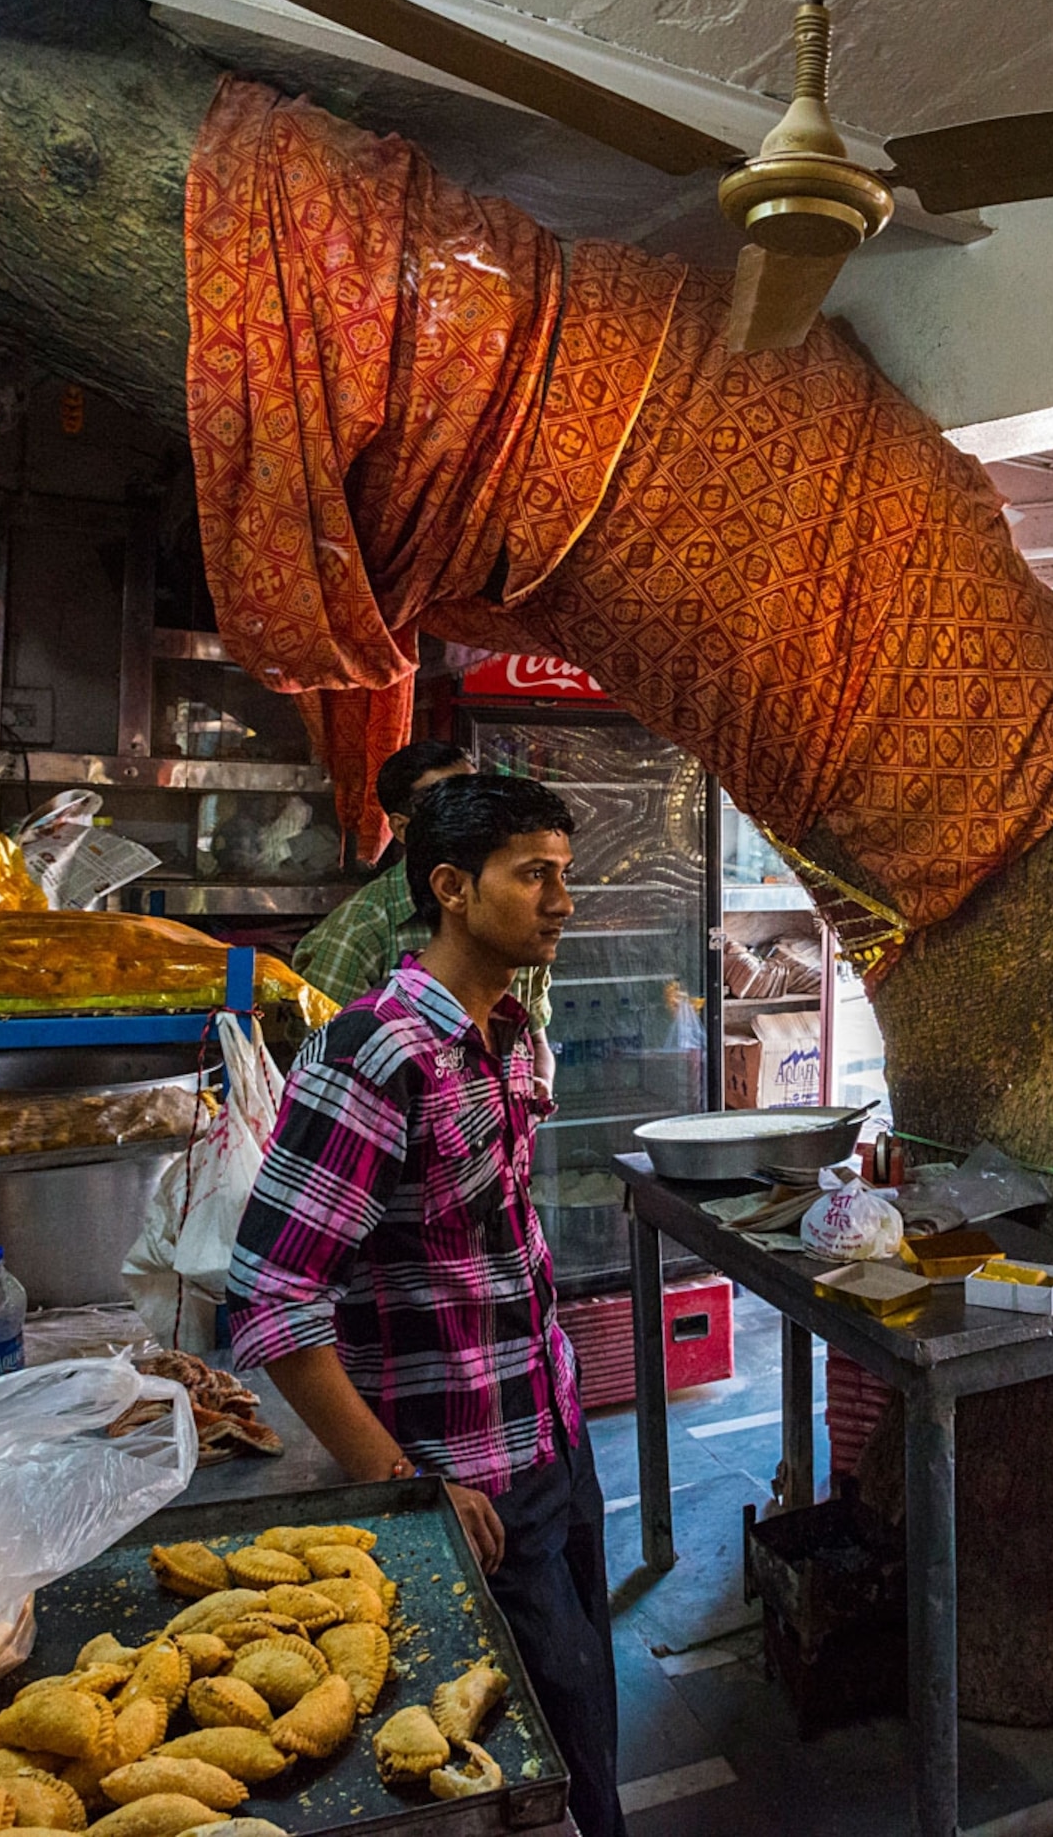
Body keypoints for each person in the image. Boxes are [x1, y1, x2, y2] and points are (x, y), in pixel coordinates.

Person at [227, 774, 624, 1837]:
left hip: (550, 1437)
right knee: (528, 1770)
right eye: (533, 875)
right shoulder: (376, 1052)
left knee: (587, 1725)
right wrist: (405, 1486)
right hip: (464, 1482)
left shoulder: (509, 1034)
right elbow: (271, 1297)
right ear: (451, 887)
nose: (561, 900)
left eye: (564, 873)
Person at [291, 737, 553, 1040]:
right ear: (403, 828)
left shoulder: (517, 911)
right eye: (446, 805)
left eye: (475, 798)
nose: (471, 816)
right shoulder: (355, 937)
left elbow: (535, 1041)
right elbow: (327, 1060)